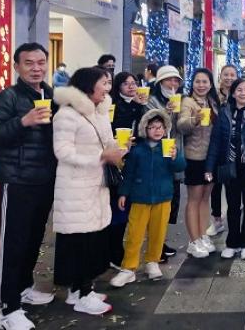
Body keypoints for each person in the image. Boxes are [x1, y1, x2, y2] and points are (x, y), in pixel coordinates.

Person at [0, 43, 58, 330]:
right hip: (16, 181)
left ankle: (24, 287)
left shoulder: (50, 95)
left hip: (44, 180)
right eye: (29, 63)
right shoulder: (8, 98)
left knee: (32, 239)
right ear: (17, 66)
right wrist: (22, 122)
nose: (36, 68)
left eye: (41, 62)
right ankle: (7, 309)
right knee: (12, 244)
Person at [52, 67, 126, 316]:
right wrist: (100, 156)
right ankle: (82, 294)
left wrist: (119, 148)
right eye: (103, 83)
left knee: (92, 239)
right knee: (79, 242)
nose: (107, 88)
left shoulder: (99, 112)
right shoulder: (67, 114)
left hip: (96, 185)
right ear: (88, 85)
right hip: (75, 188)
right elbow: (62, 151)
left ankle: (81, 290)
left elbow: (106, 142)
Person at [110, 110, 186, 287]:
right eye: (152, 127)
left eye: (160, 127)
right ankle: (128, 268)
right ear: (144, 129)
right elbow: (128, 173)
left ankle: (152, 261)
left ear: (165, 129)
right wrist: (123, 193)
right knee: (134, 233)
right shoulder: (137, 150)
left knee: (158, 232)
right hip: (140, 197)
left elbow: (180, 167)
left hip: (163, 197)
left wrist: (175, 157)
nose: (156, 130)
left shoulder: (169, 147)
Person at [205, 80, 245, 260]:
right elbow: (216, 141)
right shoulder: (225, 112)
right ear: (233, 93)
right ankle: (232, 243)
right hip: (230, 165)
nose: (243, 93)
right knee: (233, 206)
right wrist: (209, 167)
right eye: (239, 90)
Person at [177, 68, 221, 259]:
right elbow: (181, 125)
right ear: (192, 83)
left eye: (205, 82)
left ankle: (203, 235)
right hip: (194, 157)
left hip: (211, 158)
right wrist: (194, 119)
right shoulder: (187, 102)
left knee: (205, 198)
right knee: (194, 199)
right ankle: (193, 241)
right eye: (197, 81)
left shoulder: (213, 101)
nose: (201, 85)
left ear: (210, 84)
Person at [108, 72, 147, 267]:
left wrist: (141, 106)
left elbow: (144, 129)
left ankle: (119, 249)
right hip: (116, 162)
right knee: (118, 207)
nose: (131, 87)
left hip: (133, 161)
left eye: (134, 83)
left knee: (127, 207)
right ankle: (113, 251)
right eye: (126, 84)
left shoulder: (138, 105)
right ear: (118, 87)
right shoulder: (113, 106)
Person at [146, 65, 184, 260]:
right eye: (169, 80)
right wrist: (166, 112)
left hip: (173, 154)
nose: (173, 83)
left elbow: (181, 128)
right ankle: (155, 247)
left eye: (176, 80)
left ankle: (160, 241)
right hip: (156, 156)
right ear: (160, 81)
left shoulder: (180, 99)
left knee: (170, 201)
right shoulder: (151, 101)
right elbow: (152, 126)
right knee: (156, 201)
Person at [207, 65, 238, 237]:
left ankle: (234, 219)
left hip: (233, 146)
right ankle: (217, 219)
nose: (229, 78)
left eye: (232, 74)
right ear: (220, 76)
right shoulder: (212, 96)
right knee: (216, 185)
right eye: (226, 74)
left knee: (233, 183)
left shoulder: (240, 93)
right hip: (215, 143)